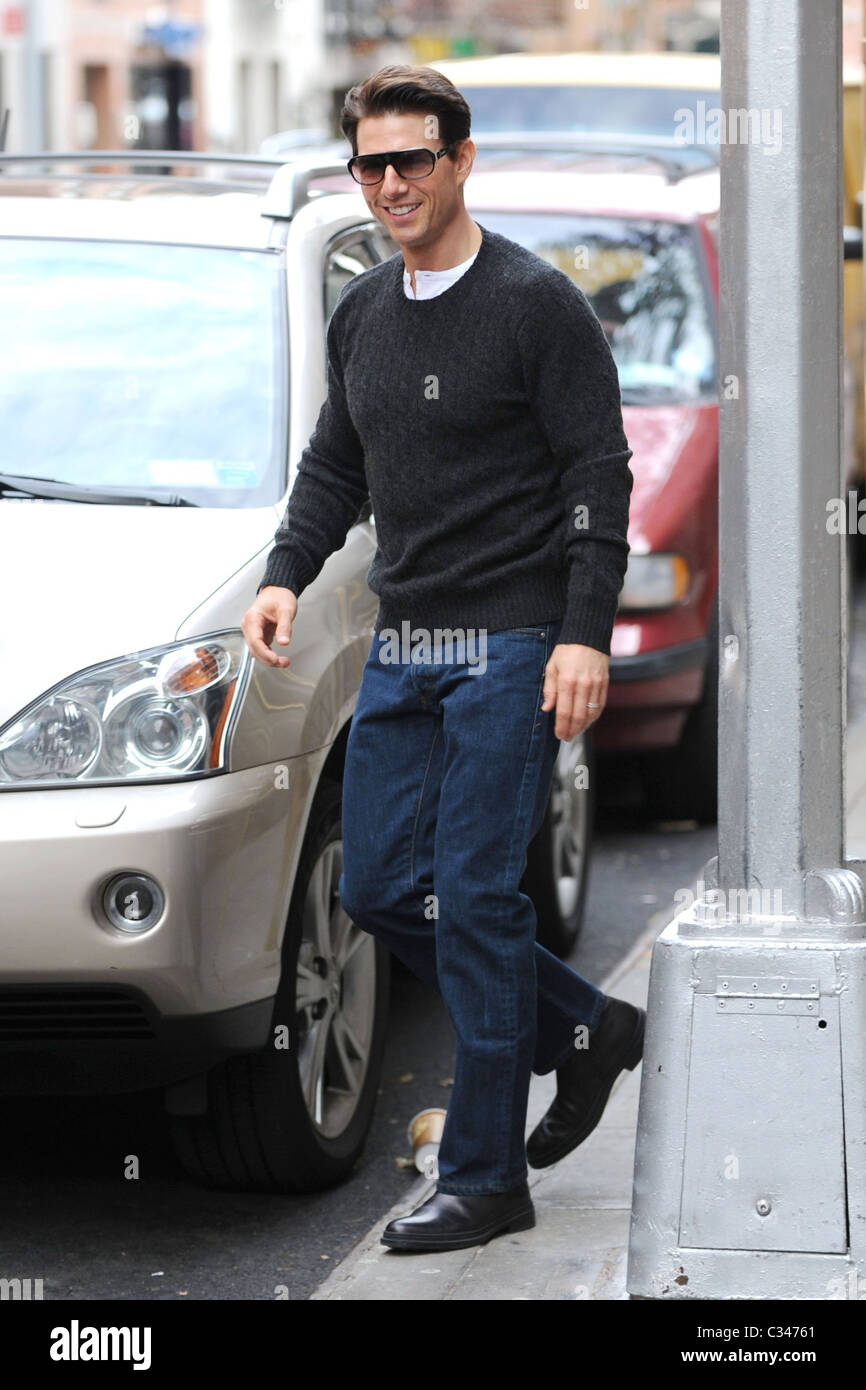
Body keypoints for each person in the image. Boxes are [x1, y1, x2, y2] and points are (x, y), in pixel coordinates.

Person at [242, 64, 645, 1254]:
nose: (392, 183)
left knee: (471, 894)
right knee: (374, 887)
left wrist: (582, 632)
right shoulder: (363, 312)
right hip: (406, 641)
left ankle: (483, 1178)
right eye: (371, 164)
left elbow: (595, 477)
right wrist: (282, 571)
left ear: (462, 160)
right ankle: (582, 1031)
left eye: (413, 158)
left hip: (513, 639)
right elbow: (334, 467)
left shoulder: (534, 305)